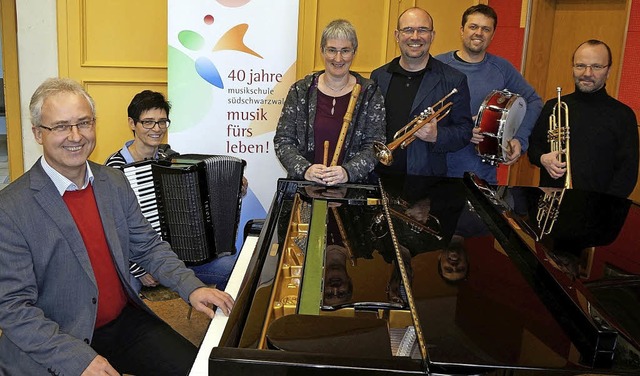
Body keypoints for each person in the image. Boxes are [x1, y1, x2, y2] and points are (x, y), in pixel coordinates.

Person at [0, 78, 234, 375]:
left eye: (84, 122)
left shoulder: (113, 181)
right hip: (60, 337)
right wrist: (77, 359)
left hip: (123, 322)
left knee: (199, 371)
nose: (75, 135)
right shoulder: (9, 208)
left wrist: (191, 288)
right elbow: (13, 309)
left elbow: (148, 246)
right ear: (37, 133)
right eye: (60, 126)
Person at [435, 4, 543, 184]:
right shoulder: (438, 65)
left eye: (486, 29)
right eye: (473, 27)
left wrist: (519, 140)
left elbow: (533, 101)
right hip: (438, 172)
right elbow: (423, 115)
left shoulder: (502, 69)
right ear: (462, 30)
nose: (479, 33)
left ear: (492, 35)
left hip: (482, 177)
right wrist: (461, 130)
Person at [274, 19, 386, 185]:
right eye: (332, 50)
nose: (338, 58)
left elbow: (375, 145)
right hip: (306, 188)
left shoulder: (369, 93)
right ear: (322, 51)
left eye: (345, 50)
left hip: (351, 190)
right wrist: (305, 169)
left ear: (354, 52)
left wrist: (348, 172)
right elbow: (283, 141)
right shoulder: (301, 90)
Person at [528, 39, 639, 198]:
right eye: (580, 65)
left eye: (596, 66)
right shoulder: (554, 106)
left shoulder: (623, 115)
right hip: (552, 207)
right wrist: (542, 158)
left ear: (608, 71)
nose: (587, 73)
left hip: (597, 211)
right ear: (573, 68)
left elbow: (627, 174)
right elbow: (533, 147)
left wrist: (602, 207)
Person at [370, 7, 473, 177]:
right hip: (379, 176)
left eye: (423, 30)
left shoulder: (454, 80)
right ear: (397, 35)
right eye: (408, 30)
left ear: (432, 36)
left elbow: (464, 131)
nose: (415, 36)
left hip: (427, 180)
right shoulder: (379, 76)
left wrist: (437, 135)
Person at [105, 90, 176, 288]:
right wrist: (139, 269)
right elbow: (110, 229)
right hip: (134, 262)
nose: (157, 128)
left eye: (162, 122)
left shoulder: (168, 159)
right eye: (148, 122)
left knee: (228, 266)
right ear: (132, 123)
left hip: (169, 256)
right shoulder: (115, 168)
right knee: (127, 294)